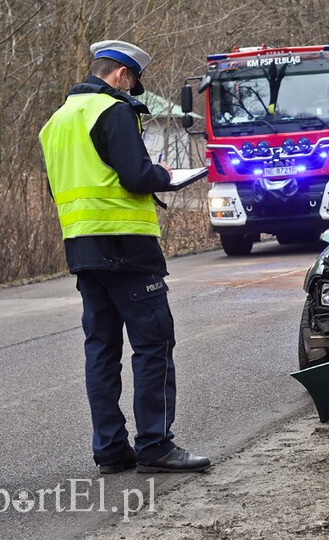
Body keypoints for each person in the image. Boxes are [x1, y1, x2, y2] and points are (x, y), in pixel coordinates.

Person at [39, 40, 210, 474]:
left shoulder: (56, 122)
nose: (132, 89)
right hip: (128, 249)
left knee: (101, 349)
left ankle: (111, 450)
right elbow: (135, 176)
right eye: (132, 81)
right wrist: (166, 176)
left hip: (82, 248)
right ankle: (156, 445)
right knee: (153, 345)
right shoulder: (112, 111)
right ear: (120, 75)